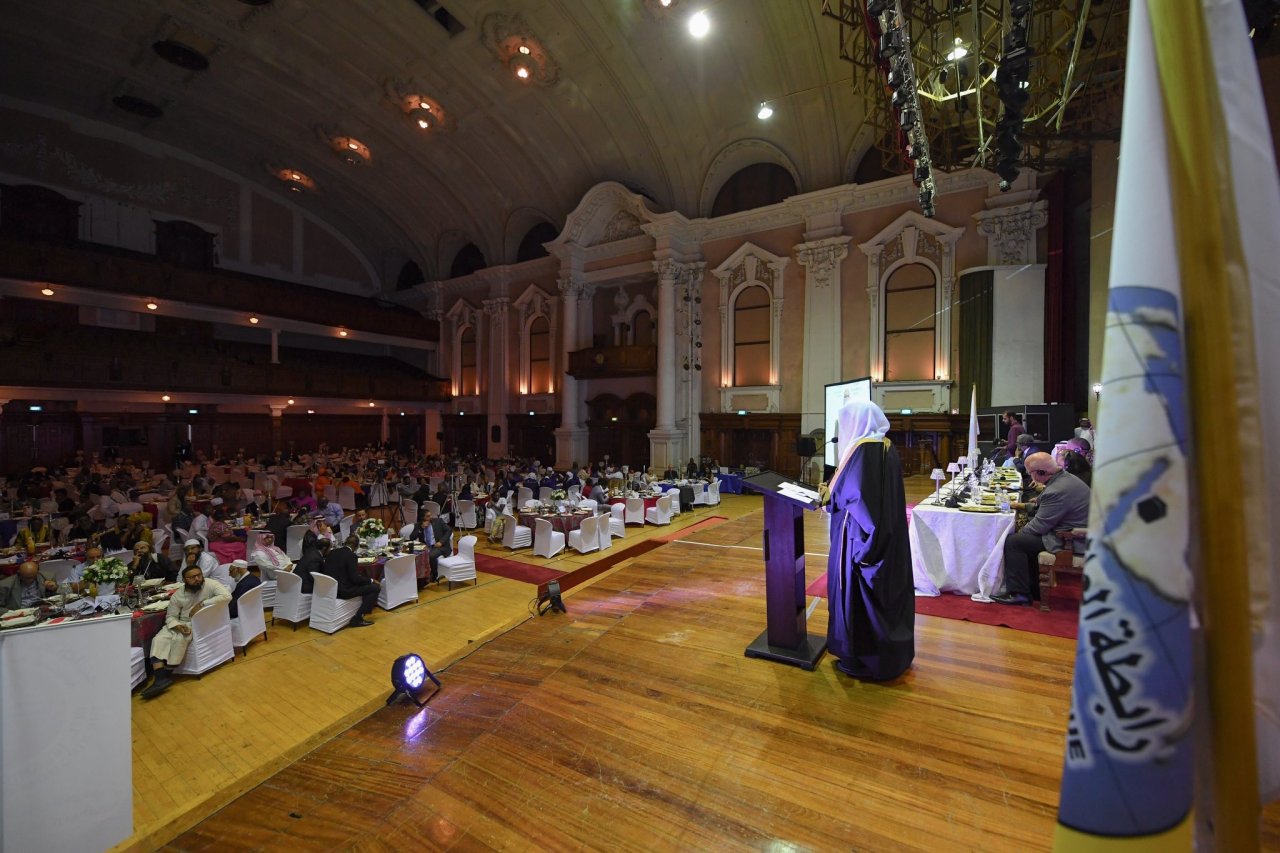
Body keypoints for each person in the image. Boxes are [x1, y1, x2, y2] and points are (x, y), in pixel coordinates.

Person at [824, 399, 914, 681]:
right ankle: (887, 656)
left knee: (855, 598)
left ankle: (859, 659)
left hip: (859, 538)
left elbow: (856, 498)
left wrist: (830, 495)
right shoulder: (885, 446)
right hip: (885, 537)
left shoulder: (864, 450)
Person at [995, 452, 1092, 606]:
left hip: (1071, 540)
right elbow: (1043, 507)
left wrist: (1019, 531)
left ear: (1040, 473)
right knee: (1022, 539)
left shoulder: (1058, 489)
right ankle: (1033, 589)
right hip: (1068, 531)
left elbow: (1039, 525)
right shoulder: (1062, 479)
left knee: (1014, 541)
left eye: (1029, 472)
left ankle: (1019, 594)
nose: (1029, 476)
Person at [141, 564, 231, 699]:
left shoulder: (210, 584)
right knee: (159, 639)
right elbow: (170, 616)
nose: (197, 579)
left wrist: (202, 604)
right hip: (180, 622)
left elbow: (226, 596)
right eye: (192, 577)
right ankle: (160, 678)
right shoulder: (178, 595)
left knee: (180, 639)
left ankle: (164, 676)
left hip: (201, 622)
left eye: (199, 575)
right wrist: (177, 626)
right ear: (184, 580)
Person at [322, 533, 379, 628]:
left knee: (365, 582)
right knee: (374, 588)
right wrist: (371, 580)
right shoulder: (351, 556)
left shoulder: (332, 552)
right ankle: (358, 618)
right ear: (355, 546)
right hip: (344, 591)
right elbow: (355, 579)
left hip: (331, 589)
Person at [412, 507, 452, 584]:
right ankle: (420, 576)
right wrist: (421, 528)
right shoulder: (418, 525)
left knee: (431, 555)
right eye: (427, 516)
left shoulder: (438, 521)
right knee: (415, 555)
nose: (430, 518)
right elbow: (412, 537)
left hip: (439, 546)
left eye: (430, 515)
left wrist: (441, 542)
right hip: (425, 547)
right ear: (422, 518)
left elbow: (449, 530)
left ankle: (434, 575)